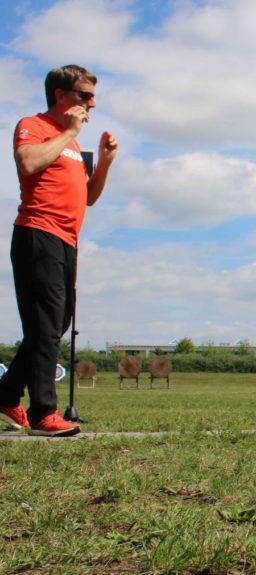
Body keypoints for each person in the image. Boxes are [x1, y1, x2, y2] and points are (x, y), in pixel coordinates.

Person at [0, 65, 118, 437]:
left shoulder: (70, 144)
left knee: (52, 325)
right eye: (84, 96)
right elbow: (28, 162)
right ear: (60, 95)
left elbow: (90, 198)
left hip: (67, 241)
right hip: (37, 233)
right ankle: (43, 413)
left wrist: (104, 162)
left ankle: (4, 397)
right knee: (46, 326)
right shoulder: (34, 126)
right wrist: (69, 130)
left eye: (93, 97)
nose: (92, 104)